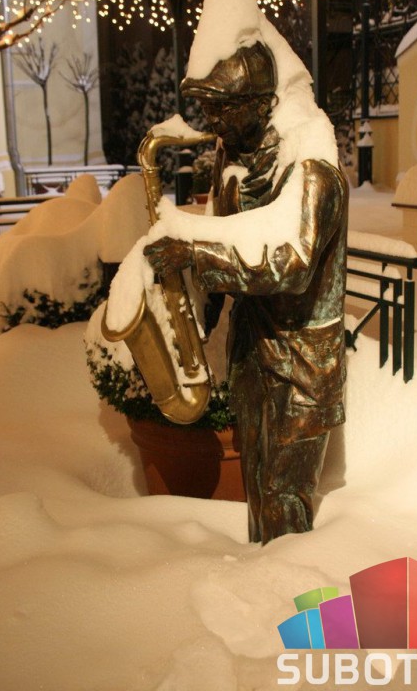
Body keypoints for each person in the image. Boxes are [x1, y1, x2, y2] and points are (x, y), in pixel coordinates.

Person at [143, 39, 348, 545]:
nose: (213, 122)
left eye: (223, 109)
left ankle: (291, 592)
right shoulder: (232, 153)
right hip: (253, 351)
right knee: (258, 488)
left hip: (301, 365)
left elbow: (292, 263)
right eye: (207, 109)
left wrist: (197, 255)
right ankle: (263, 587)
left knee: (283, 500)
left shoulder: (312, 164)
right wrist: (196, 318)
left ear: (260, 104)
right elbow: (222, 226)